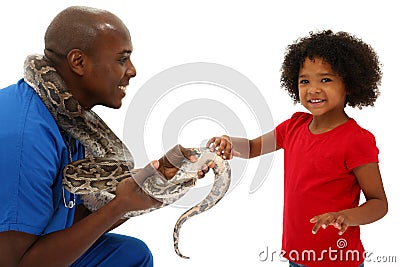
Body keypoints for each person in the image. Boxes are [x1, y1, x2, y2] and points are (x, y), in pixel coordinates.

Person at [0, 6, 208, 267]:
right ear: (78, 62)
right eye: (122, 59)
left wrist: (148, 188)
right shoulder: (25, 138)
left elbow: (67, 220)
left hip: (30, 247)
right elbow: (13, 262)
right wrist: (119, 206)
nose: (132, 70)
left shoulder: (67, 120)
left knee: (131, 255)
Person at [207, 30, 388, 267]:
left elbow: (378, 203)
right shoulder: (293, 126)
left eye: (325, 79)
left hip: (338, 260)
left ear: (350, 84)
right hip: (295, 256)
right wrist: (229, 141)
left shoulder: (356, 140)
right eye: (305, 81)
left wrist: (346, 217)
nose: (313, 89)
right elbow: (251, 148)